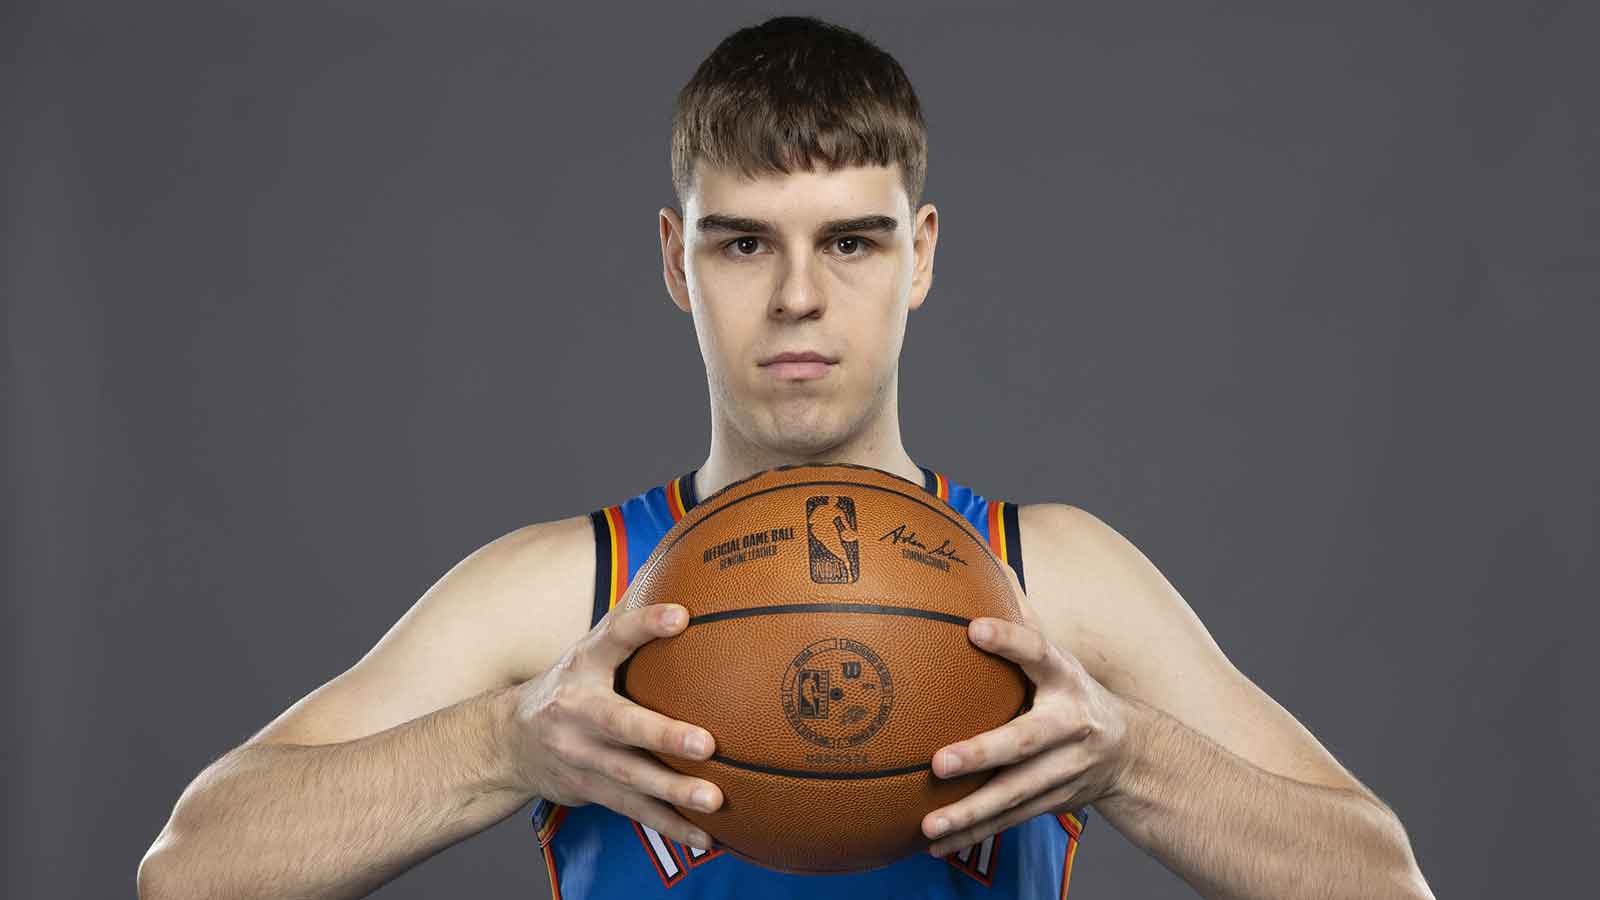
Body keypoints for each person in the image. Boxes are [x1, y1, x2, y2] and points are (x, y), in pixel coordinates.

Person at [138, 15, 1435, 900]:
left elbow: (1387, 881)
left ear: (922, 253)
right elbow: (186, 870)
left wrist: (1133, 759)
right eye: (744, 242)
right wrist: (502, 748)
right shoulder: (567, 596)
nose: (800, 296)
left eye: (852, 242)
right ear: (673, 258)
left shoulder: (1051, 579)